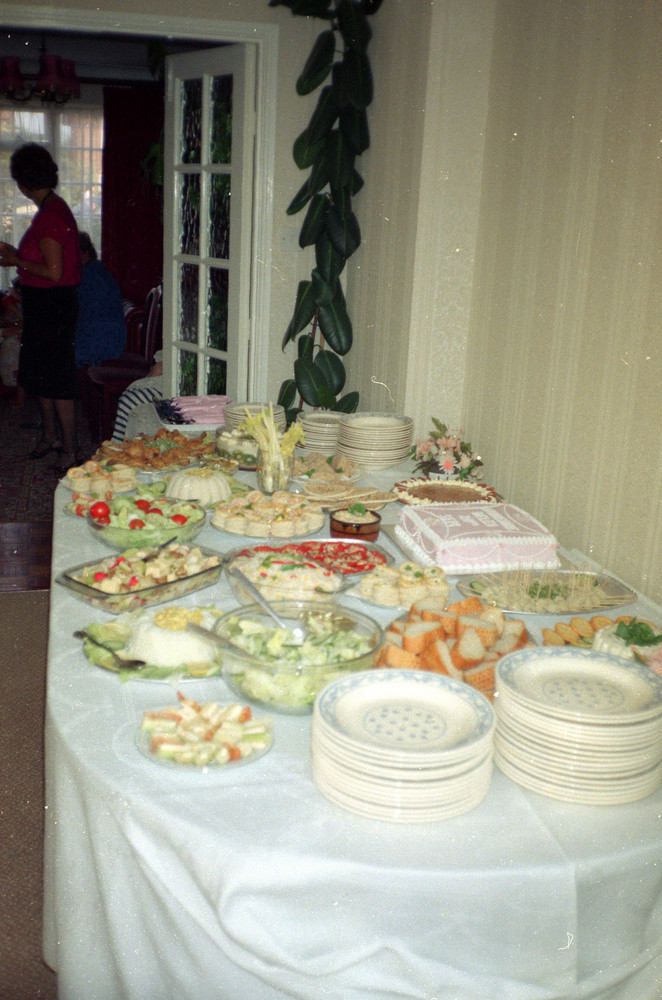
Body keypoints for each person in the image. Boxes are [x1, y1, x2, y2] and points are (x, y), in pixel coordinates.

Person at [0, 143, 82, 473]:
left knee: (57, 380)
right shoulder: (52, 209)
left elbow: (54, 272)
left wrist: (15, 260)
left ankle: (70, 451)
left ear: (23, 183)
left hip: (52, 306)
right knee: (42, 376)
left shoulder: (50, 216)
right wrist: (17, 256)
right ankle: (51, 437)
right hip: (46, 304)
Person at [75, 232, 126, 367]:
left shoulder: (87, 274)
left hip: (100, 343)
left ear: (85, 253)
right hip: (112, 341)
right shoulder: (96, 268)